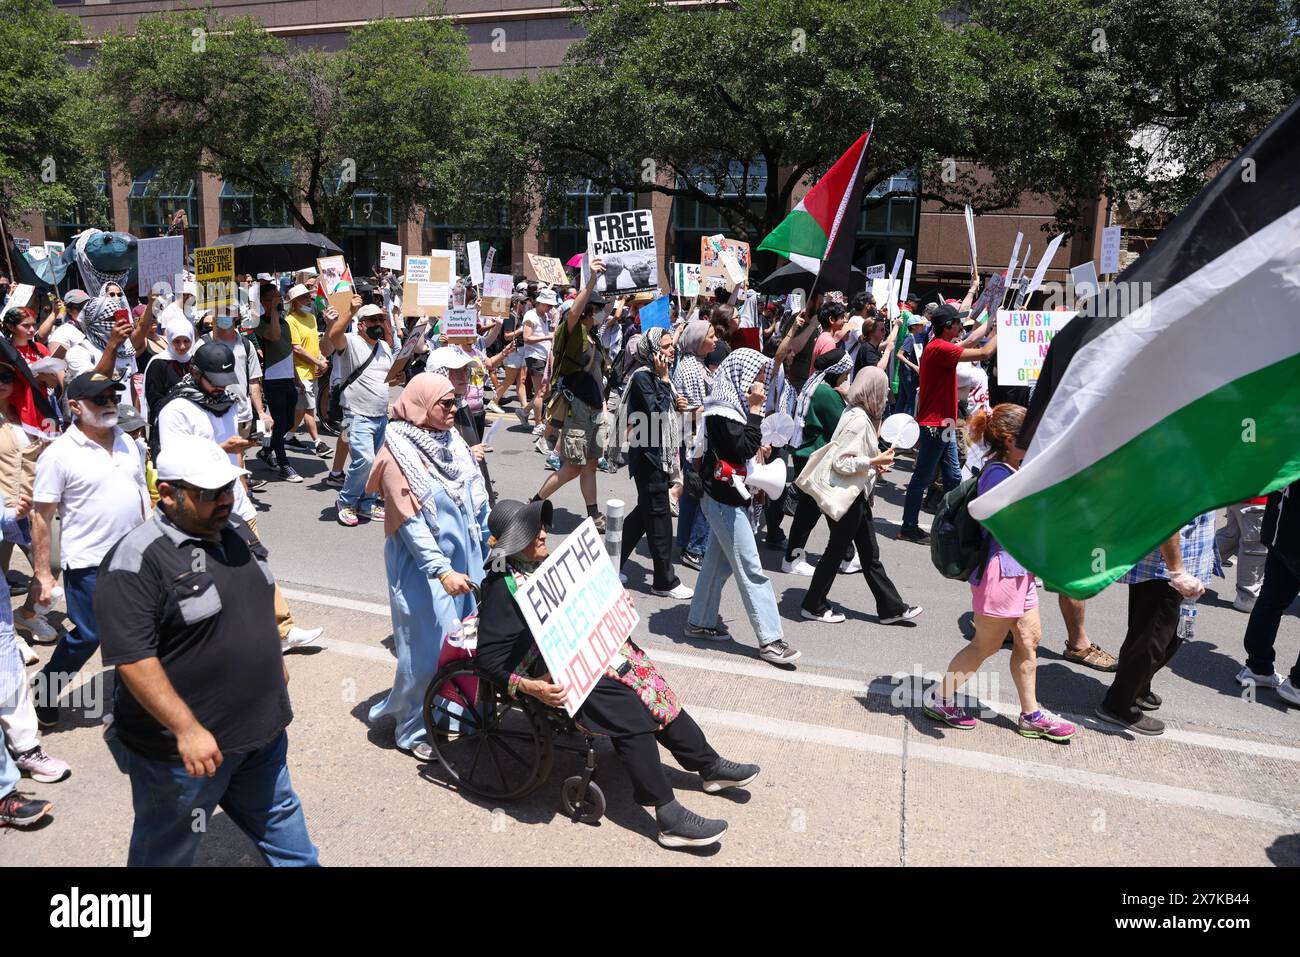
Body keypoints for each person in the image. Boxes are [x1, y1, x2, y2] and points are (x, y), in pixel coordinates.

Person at [474, 499, 759, 849]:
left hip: (586, 648)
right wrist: (530, 687)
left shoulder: (542, 565)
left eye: (541, 527)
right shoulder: (502, 586)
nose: (545, 534)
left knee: (650, 683)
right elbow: (487, 659)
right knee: (628, 712)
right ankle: (668, 816)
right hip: (551, 671)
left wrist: (613, 601)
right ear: (515, 541)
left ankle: (709, 766)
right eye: (535, 531)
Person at [97, 435, 318, 866]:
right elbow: (132, 659)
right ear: (168, 493)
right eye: (209, 493)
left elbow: (257, 600)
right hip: (189, 757)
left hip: (261, 736)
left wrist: (273, 659)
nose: (224, 500)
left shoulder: (234, 529)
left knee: (291, 844)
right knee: (166, 852)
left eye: (229, 489)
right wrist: (187, 730)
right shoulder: (134, 561)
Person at [923, 404, 1077, 740]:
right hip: (1001, 574)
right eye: (1030, 435)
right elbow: (1009, 524)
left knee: (1028, 642)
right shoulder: (997, 474)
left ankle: (1031, 715)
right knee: (984, 646)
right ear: (1009, 439)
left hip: (1020, 572)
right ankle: (939, 697)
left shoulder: (1014, 468)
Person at [155, 342, 320, 654]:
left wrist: (242, 482)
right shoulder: (176, 410)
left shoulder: (228, 401)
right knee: (204, 578)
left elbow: (237, 451)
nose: (220, 389)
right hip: (199, 507)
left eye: (224, 382)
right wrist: (221, 451)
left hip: (235, 501)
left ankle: (282, 629)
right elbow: (174, 464)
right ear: (195, 373)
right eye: (214, 382)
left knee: (257, 566)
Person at [365, 373, 491, 759]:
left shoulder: (451, 440)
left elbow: (474, 495)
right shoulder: (395, 454)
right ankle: (412, 728)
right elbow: (411, 526)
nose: (456, 409)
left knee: (464, 643)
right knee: (428, 648)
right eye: (446, 403)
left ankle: (452, 712)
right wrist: (441, 571)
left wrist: (491, 535)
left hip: (466, 558)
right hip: (425, 569)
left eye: (457, 401)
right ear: (421, 405)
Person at [30, 373, 151, 727]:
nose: (110, 403)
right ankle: (42, 691)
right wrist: (42, 573)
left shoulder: (128, 441)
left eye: (112, 396)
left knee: (137, 632)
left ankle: (128, 703)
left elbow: (141, 493)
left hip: (134, 558)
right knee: (88, 636)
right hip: (88, 562)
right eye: (100, 399)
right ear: (74, 407)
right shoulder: (59, 455)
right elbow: (41, 516)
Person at [686, 349, 800, 666]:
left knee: (718, 565)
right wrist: (754, 411)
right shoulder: (725, 411)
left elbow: (743, 447)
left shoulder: (727, 408)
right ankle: (771, 640)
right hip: (723, 498)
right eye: (756, 376)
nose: (760, 383)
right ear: (740, 375)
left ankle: (699, 621)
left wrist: (752, 418)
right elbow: (744, 446)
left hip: (724, 495)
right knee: (752, 569)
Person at [799, 368, 920, 625]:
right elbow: (841, 463)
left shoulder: (857, 413)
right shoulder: (858, 420)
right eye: (883, 390)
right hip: (849, 496)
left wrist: (875, 464)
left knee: (868, 553)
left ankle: (891, 608)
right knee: (839, 551)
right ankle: (813, 604)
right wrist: (874, 460)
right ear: (872, 392)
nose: (887, 396)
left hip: (857, 495)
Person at [1095, 511, 1218, 735]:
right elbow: (1166, 517)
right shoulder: (1178, 474)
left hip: (1177, 565)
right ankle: (1119, 705)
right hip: (1164, 569)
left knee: (1165, 636)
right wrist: (1177, 572)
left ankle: (1138, 687)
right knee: (1151, 640)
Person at [898, 299, 998, 544]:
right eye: (957, 324)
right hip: (937, 425)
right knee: (923, 476)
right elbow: (984, 351)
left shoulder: (940, 345)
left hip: (945, 423)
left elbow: (971, 341)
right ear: (947, 326)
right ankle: (909, 527)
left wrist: (992, 321)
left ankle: (950, 525)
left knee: (953, 476)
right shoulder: (940, 349)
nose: (961, 328)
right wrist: (1004, 329)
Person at [532, 263, 611, 532]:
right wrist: (589, 283)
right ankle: (535, 504)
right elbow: (574, 313)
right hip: (576, 407)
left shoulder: (593, 337)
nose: (601, 313)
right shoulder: (572, 331)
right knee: (573, 467)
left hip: (593, 409)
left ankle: (593, 513)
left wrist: (602, 407)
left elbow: (598, 374)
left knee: (590, 465)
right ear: (590, 310)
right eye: (598, 309)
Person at [618, 327, 692, 599]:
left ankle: (610, 563)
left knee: (644, 515)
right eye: (666, 345)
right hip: (648, 457)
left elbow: (665, 408)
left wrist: (678, 403)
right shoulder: (643, 377)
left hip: (659, 455)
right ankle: (664, 581)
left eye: (672, 344)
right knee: (659, 518)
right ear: (652, 351)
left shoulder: (660, 377)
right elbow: (655, 414)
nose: (671, 349)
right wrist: (663, 380)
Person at [782, 348, 854, 576]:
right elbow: (843, 424)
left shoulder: (820, 387)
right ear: (836, 373)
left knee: (821, 510)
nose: (846, 379)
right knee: (815, 511)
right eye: (845, 375)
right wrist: (847, 397)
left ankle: (847, 555)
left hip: (810, 456)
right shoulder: (826, 393)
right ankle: (793, 559)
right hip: (815, 458)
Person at [327, 301, 395, 526]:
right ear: (361, 325)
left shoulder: (384, 347)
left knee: (376, 464)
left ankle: (367, 503)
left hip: (380, 415)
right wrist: (351, 311)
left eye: (380, 320)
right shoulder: (351, 342)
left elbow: (387, 376)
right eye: (373, 320)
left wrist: (398, 379)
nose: (378, 324)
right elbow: (334, 334)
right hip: (355, 414)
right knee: (364, 460)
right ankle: (345, 501)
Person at [1237, 479, 1300, 704]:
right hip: (1288, 528)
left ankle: (1258, 666)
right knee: (1271, 599)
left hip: (1281, 529)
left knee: (1271, 599)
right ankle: (1296, 684)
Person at [199, 303, 272, 492]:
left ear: (237, 316)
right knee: (223, 453)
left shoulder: (246, 345)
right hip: (213, 410)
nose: (224, 317)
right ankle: (236, 493)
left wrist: (261, 412)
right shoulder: (204, 342)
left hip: (242, 411)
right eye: (220, 312)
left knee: (238, 452)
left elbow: (254, 381)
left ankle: (237, 490)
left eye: (229, 313)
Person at [672, 318, 716, 570]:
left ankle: (687, 542)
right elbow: (688, 411)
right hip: (694, 439)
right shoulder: (689, 368)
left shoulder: (698, 365)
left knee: (693, 493)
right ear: (699, 340)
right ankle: (695, 548)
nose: (715, 339)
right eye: (711, 335)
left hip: (697, 438)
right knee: (701, 494)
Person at [254, 283, 304, 482]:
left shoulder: (284, 322)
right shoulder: (259, 322)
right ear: (264, 302)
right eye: (274, 297)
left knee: (289, 422)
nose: (279, 300)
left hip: (288, 379)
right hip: (272, 379)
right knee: (279, 421)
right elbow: (273, 337)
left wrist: (296, 378)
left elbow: (288, 351)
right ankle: (284, 464)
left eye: (279, 297)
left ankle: (266, 448)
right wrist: (273, 311)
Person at [283, 284, 330, 458]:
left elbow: (314, 343)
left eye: (308, 297)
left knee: (302, 408)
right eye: (303, 298)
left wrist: (321, 359)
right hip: (300, 372)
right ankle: (318, 443)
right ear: (294, 302)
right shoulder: (290, 320)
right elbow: (297, 349)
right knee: (310, 408)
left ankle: (288, 437)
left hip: (314, 370)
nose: (308, 300)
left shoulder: (311, 317)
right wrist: (318, 361)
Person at [143, 309, 194, 457]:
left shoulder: (194, 360)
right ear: (169, 339)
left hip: (192, 426)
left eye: (186, 341)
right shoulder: (158, 363)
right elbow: (154, 399)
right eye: (176, 341)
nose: (182, 346)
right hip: (167, 427)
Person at [1216, 496, 1268, 612]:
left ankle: (1193, 571)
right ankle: (1247, 597)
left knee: (1231, 536)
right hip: (1257, 497)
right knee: (1254, 548)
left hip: (1240, 493)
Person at [519, 287, 556, 432]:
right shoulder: (530, 315)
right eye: (548, 305)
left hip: (543, 355)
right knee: (541, 391)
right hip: (534, 356)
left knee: (546, 390)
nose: (550, 308)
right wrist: (548, 337)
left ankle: (524, 411)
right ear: (540, 303)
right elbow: (526, 338)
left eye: (551, 305)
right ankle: (537, 424)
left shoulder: (544, 316)